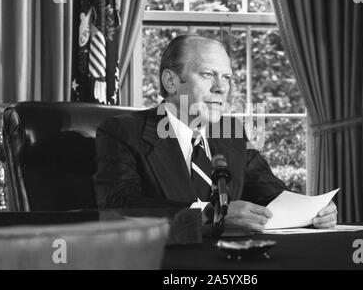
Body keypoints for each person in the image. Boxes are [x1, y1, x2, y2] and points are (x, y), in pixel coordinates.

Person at [94, 35, 337, 232]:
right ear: (171, 82)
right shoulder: (123, 131)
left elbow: (271, 195)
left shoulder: (231, 133)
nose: (221, 88)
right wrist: (213, 215)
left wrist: (313, 211)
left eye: (227, 78)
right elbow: (118, 209)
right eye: (208, 75)